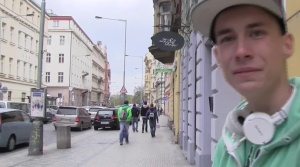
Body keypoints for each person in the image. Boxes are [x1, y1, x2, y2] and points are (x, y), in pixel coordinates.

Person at [191, 1, 300, 167]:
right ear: (218, 56)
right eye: (227, 39)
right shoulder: (228, 143)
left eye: (256, 33)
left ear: (287, 44)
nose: (241, 51)